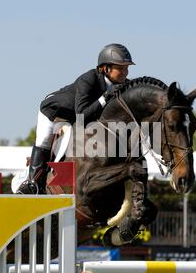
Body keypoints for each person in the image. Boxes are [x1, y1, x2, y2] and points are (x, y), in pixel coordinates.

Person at [17, 43, 135, 194]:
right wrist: (105, 97)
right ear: (106, 68)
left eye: (127, 68)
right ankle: (32, 184)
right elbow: (81, 116)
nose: (126, 72)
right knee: (44, 142)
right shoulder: (89, 79)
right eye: (121, 68)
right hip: (54, 113)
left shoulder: (121, 85)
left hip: (77, 118)